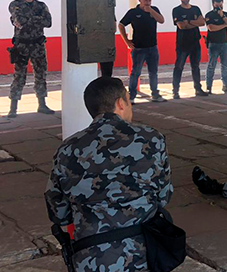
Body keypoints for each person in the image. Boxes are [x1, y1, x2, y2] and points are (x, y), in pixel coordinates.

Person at [45, 77, 173, 271]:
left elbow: (59, 213)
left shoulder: (68, 149)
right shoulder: (151, 138)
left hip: (90, 259)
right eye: (129, 100)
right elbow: (163, 197)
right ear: (120, 103)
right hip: (144, 255)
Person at [8, 0, 54, 118]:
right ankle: (13, 107)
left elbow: (48, 22)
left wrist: (29, 19)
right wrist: (37, 18)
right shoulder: (15, 5)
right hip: (21, 45)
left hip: (38, 45)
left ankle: (42, 104)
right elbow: (20, 21)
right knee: (19, 76)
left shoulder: (41, 5)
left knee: (41, 74)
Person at [119, 0, 167, 104]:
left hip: (152, 47)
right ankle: (131, 96)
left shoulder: (154, 10)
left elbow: (161, 20)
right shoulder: (133, 12)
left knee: (153, 72)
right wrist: (127, 41)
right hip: (139, 48)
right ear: (140, 0)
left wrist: (150, 10)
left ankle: (155, 94)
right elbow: (121, 25)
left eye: (149, 0)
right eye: (145, 0)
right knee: (136, 72)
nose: (148, 2)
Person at [172, 0, 207, 99]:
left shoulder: (196, 9)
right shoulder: (176, 10)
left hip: (195, 43)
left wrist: (190, 22)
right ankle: (175, 91)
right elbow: (181, 26)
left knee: (195, 67)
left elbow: (202, 22)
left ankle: (198, 89)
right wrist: (194, 23)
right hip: (182, 44)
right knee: (179, 67)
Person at [205, 0, 227, 94]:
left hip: (224, 44)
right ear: (213, 4)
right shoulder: (209, 15)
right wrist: (223, 25)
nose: (219, 6)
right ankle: (208, 87)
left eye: (220, 3)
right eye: (217, 4)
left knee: (225, 65)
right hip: (213, 44)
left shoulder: (225, 14)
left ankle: (226, 85)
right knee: (211, 66)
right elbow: (211, 28)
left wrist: (223, 17)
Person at [95, 0, 115, 78]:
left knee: (107, 74)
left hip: (105, 43)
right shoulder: (86, 8)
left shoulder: (108, 8)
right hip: (91, 43)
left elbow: (114, 27)